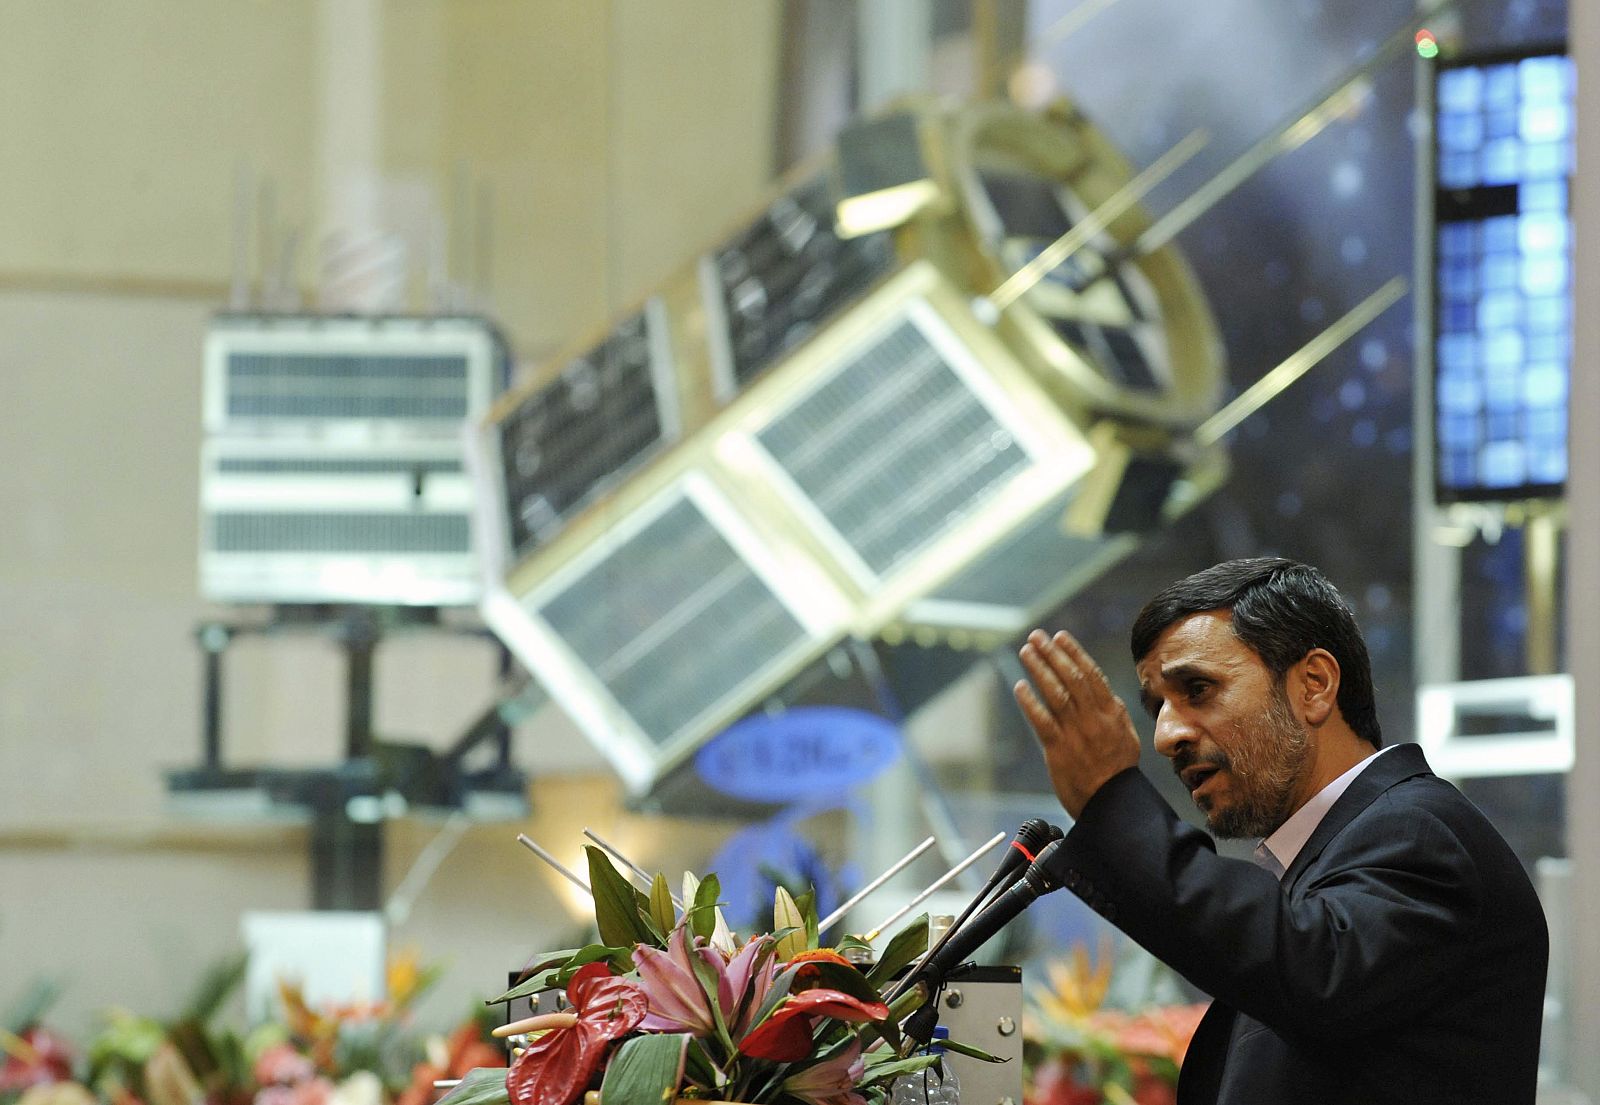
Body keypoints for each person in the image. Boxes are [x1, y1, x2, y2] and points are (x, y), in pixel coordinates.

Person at [1012, 557, 1548, 1105]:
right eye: (1157, 708)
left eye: (1197, 689)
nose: (1166, 735)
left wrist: (1113, 805)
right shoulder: (1325, 866)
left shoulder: (1421, 833)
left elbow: (1312, 974)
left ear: (1314, 685)